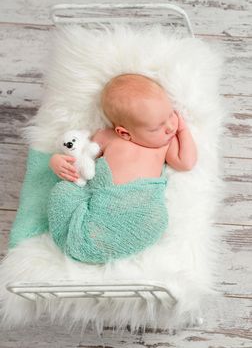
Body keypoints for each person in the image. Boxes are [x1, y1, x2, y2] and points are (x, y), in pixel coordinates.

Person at [47, 74, 197, 264]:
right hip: (103, 201)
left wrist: (183, 131)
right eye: (156, 127)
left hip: (141, 206)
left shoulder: (164, 144)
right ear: (123, 132)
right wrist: (57, 161)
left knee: (156, 219)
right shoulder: (106, 137)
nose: (169, 127)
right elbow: (80, 156)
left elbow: (186, 162)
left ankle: (102, 241)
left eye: (170, 115)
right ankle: (86, 241)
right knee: (62, 192)